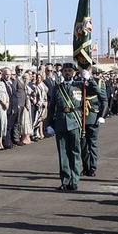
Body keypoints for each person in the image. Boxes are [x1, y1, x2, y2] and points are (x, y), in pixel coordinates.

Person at [47, 62, 85, 191]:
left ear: (74, 73)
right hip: (61, 122)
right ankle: (65, 180)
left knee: (75, 152)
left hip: (75, 122)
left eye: (70, 70)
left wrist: (88, 78)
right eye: (65, 71)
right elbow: (51, 107)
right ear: (62, 73)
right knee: (63, 153)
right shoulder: (57, 88)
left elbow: (96, 91)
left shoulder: (80, 85)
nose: (67, 73)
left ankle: (74, 180)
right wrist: (49, 124)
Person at [78, 69, 107, 176]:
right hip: (80, 117)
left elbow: (102, 97)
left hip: (93, 116)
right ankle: (85, 167)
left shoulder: (98, 81)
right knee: (83, 144)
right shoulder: (77, 81)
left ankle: (93, 167)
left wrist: (102, 116)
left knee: (92, 143)